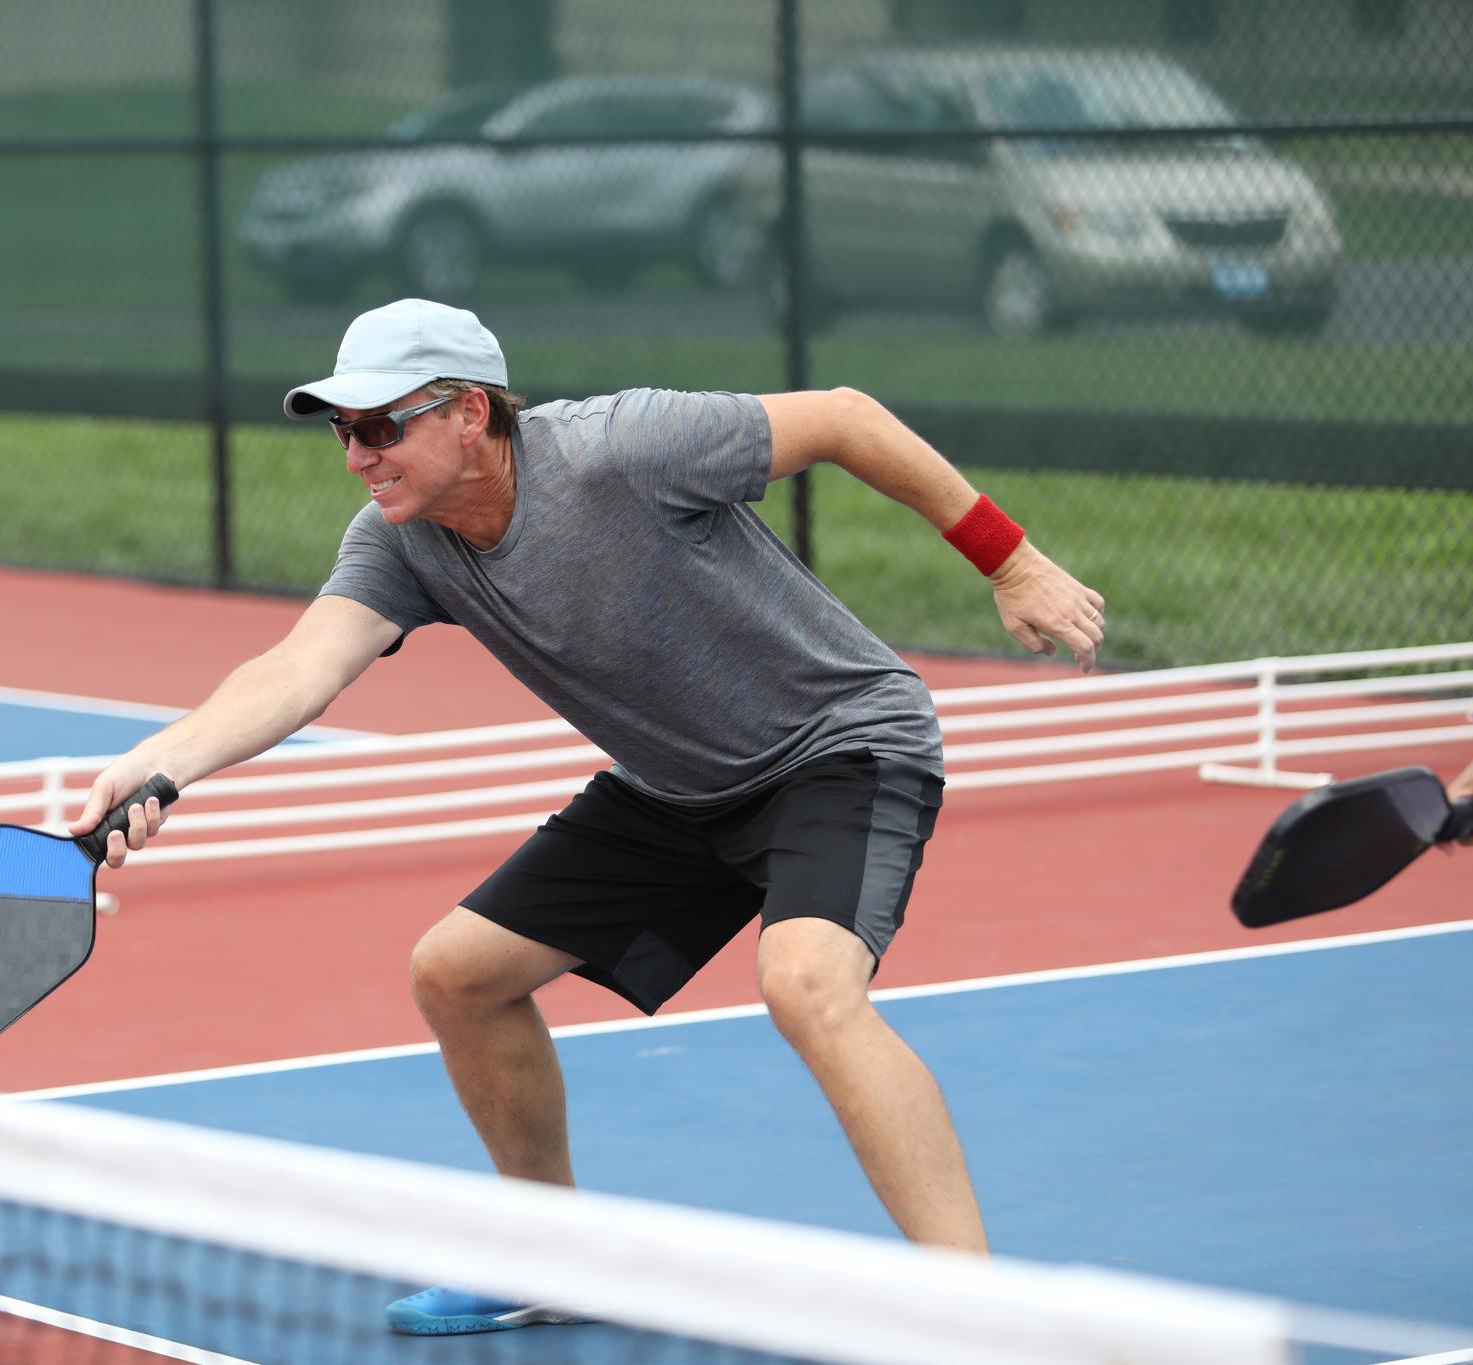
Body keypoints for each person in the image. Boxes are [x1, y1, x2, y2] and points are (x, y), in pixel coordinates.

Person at [71, 297, 1106, 1336]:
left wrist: (1007, 561)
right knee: (457, 973)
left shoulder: (621, 450)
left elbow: (843, 416)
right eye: (343, 430)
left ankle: (985, 1316)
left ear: (466, 412)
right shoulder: (404, 543)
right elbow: (298, 667)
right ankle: (552, 1256)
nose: (356, 456)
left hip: (835, 747)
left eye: (379, 426)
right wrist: (165, 762)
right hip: (675, 788)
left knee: (804, 984)